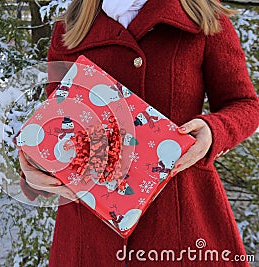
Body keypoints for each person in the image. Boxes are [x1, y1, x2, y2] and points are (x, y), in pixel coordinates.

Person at [18, 0, 259, 266]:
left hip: (179, 221)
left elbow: (245, 104)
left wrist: (214, 131)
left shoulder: (201, 17)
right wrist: (36, 172)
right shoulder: (71, 27)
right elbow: (59, 125)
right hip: (89, 234)